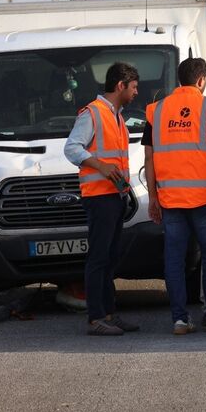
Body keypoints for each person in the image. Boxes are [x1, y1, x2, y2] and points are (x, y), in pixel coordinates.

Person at [143, 57, 206, 334]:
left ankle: (180, 320)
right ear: (201, 80)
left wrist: (152, 197)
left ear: (180, 79)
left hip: (170, 198)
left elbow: (149, 158)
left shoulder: (156, 111)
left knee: (174, 259)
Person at [63, 62, 141, 336]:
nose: (136, 93)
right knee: (98, 258)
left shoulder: (116, 115)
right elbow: (71, 148)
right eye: (133, 87)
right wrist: (100, 165)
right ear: (120, 85)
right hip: (100, 198)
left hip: (114, 197)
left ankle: (108, 313)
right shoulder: (93, 113)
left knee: (109, 258)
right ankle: (96, 318)